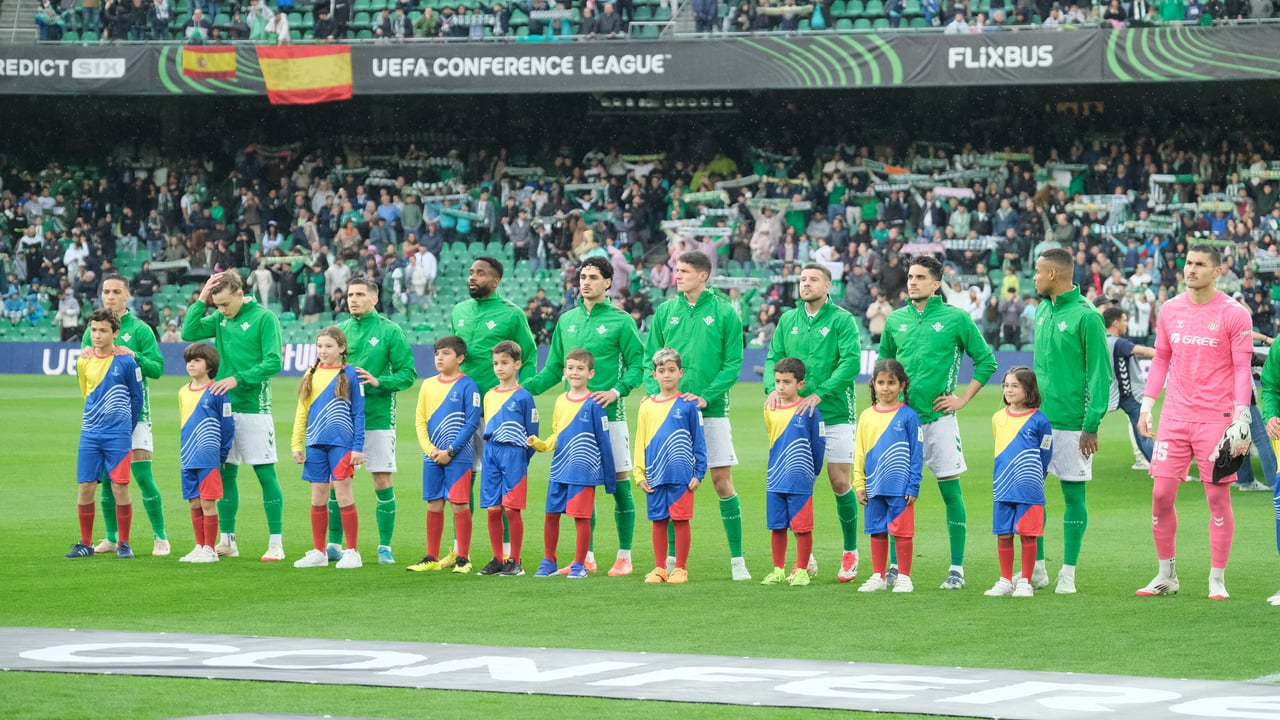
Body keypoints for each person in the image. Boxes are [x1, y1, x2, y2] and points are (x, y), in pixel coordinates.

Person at [1136, 245, 1253, 600]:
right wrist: (1146, 406)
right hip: (1174, 417)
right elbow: (1161, 359)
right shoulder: (1170, 309)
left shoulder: (1235, 314)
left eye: (1200, 264)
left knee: (1217, 499)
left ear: (1217, 271)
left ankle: (1217, 578)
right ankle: (1166, 575)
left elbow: (1241, 367)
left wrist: (1242, 412)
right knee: (1160, 496)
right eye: (1188, 262)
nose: (1191, 269)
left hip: (1215, 420)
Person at [878, 254, 997, 590]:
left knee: (950, 492)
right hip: (901, 421)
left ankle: (956, 568)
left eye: (920, 277)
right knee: (896, 494)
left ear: (935, 284)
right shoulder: (895, 320)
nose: (912, 282)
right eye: (910, 277)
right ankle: (894, 566)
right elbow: (885, 367)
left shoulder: (956, 318)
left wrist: (962, 399)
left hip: (940, 420)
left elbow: (986, 361)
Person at [526, 256, 644, 576]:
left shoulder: (621, 321)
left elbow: (638, 365)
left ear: (608, 282)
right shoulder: (567, 320)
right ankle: (586, 557)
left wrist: (616, 391)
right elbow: (553, 369)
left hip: (609, 417)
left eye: (593, 277)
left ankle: (624, 556)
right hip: (572, 421)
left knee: (620, 485)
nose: (586, 282)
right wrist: (521, 390)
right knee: (581, 485)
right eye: (582, 277)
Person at [643, 250, 749, 581]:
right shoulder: (666, 311)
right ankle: (670, 562)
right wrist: (656, 392)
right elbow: (650, 359)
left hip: (711, 411)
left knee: (721, 482)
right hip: (669, 415)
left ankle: (738, 560)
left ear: (703, 275)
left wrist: (707, 396)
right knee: (668, 482)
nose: (677, 275)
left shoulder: (724, 312)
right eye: (676, 270)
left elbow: (733, 363)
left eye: (684, 271)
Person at [763, 263, 863, 582]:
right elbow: (773, 357)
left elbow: (851, 362)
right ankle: (805, 559)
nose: (806, 284)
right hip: (795, 416)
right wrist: (771, 388)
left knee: (839, 481)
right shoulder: (788, 320)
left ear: (828, 286)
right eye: (803, 279)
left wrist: (821, 392)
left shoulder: (842, 320)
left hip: (834, 413)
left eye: (813, 279)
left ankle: (850, 551)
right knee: (795, 481)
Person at [181, 269, 286, 562]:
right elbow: (188, 333)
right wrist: (202, 299)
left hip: (254, 408)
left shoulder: (264, 318)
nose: (223, 310)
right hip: (223, 409)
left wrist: (238, 379)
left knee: (265, 474)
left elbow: (274, 361)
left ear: (241, 294)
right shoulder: (219, 318)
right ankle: (227, 540)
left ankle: (276, 543)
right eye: (218, 306)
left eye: (226, 304)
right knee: (225, 474)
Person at [1032, 248, 1112, 594]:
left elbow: (1100, 375)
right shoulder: (1041, 310)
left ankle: (1068, 573)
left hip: (1072, 424)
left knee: (1073, 495)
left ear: (1053, 274)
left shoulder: (1087, 317)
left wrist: (1091, 424)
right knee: (1031, 495)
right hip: (1035, 421)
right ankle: (1036, 569)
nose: (1034, 278)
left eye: (1037, 272)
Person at [449, 256, 536, 567]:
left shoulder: (511, 314)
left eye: (481, 273)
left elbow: (529, 356)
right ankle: (461, 551)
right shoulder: (459, 310)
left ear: (496, 281)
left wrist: (518, 397)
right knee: (462, 477)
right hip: (461, 409)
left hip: (496, 412)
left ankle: (509, 553)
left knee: (500, 479)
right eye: (471, 272)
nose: (473, 277)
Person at [327, 277, 417, 565]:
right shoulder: (339, 330)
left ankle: (384, 546)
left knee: (381, 479)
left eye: (359, 294)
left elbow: (408, 374)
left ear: (374, 299)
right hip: (341, 418)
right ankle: (333, 544)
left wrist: (380, 381)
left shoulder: (390, 331)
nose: (353, 299)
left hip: (377, 417)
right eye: (350, 295)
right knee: (336, 482)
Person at [82, 274, 169, 558]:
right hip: (103, 420)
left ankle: (160, 537)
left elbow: (157, 369)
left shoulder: (141, 329)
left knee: (142, 476)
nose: (110, 296)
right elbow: (87, 374)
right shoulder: (92, 329)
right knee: (108, 480)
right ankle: (111, 538)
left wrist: (134, 355)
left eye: (116, 292)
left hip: (136, 415)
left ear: (127, 295)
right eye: (106, 291)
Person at [527, 349, 617, 579]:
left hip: (584, 472)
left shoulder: (596, 403)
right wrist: (541, 444)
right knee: (551, 515)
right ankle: (549, 561)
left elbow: (604, 441)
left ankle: (579, 564)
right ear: (564, 372)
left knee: (582, 517)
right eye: (570, 368)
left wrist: (609, 479)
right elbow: (557, 434)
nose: (574, 372)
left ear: (590, 373)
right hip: (559, 469)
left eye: (580, 368)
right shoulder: (560, 400)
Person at [67, 309, 144, 559]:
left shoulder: (127, 362)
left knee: (120, 487)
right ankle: (85, 543)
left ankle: (124, 543)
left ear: (115, 333)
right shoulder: (83, 361)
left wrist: (125, 427)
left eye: (103, 330)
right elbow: (86, 392)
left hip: (118, 435)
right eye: (93, 330)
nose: (97, 335)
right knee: (85, 487)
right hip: (90, 433)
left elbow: (137, 398)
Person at [291, 327, 366, 570]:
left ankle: (352, 551)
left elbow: (359, 414)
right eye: (320, 346)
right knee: (317, 498)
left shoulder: (352, 374)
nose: (323, 351)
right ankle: (319, 552)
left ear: (341, 348)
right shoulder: (310, 373)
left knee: (343, 496)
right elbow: (302, 411)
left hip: (342, 444)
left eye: (329, 346)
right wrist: (296, 443)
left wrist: (358, 447)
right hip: (315, 443)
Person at [407, 335, 482, 574]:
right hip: (432, 456)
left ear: (460, 358)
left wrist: (450, 451)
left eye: (446, 353)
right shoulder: (427, 385)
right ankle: (431, 557)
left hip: (458, 456)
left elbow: (471, 423)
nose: (439, 358)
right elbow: (420, 421)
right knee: (434, 503)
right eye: (437, 353)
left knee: (459, 504)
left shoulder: (468, 385)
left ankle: (463, 558)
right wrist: (431, 450)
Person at [634, 348, 707, 585]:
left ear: (680, 372)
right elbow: (640, 439)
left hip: (681, 474)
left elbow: (699, 440)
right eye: (662, 370)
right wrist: (639, 473)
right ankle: (660, 567)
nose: (667, 375)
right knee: (658, 520)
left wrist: (699, 472)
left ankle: (680, 569)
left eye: (672, 370)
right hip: (655, 473)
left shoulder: (688, 405)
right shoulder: (646, 406)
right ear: (654, 374)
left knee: (681, 520)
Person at [854, 358, 923, 593]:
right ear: (873, 384)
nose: (886, 388)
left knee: (902, 533)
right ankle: (878, 576)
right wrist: (859, 483)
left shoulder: (909, 416)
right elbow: (859, 451)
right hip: (874, 485)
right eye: (881, 383)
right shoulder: (866, 416)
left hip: (900, 487)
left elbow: (917, 453)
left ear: (902, 385)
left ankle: (904, 577)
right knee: (876, 530)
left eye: (891, 383)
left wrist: (913, 485)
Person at [984, 367, 1053, 598]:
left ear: (1029, 389)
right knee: (1003, 534)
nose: (1009, 390)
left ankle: (1025, 581)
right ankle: (1005, 580)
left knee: (1028, 534)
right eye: (1006, 385)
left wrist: (1035, 478)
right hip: (1003, 486)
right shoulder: (998, 418)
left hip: (1029, 488)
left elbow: (1046, 452)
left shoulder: (1040, 420)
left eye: (1015, 386)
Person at [760, 358, 827, 587]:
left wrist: (812, 472)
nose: (780, 387)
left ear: (800, 384)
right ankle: (778, 570)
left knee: (802, 527)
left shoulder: (809, 411)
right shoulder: (770, 409)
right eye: (777, 381)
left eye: (787, 382)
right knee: (777, 526)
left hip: (800, 478)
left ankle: (802, 570)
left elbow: (819, 444)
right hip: (775, 476)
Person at [476, 341, 539, 577]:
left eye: (504, 363)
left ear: (517, 364)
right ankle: (497, 558)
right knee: (493, 509)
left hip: (514, 454)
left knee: (512, 509)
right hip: (491, 452)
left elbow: (532, 433)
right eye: (495, 363)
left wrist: (521, 458)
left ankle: (516, 560)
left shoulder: (524, 397)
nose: (499, 368)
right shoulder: (489, 395)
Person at [176, 343, 234, 564]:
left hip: (208, 456)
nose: (191, 364)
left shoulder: (217, 392)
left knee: (208, 503)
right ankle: (199, 546)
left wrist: (222, 454)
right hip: (188, 455)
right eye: (188, 361)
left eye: (197, 360)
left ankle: (210, 549)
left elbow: (227, 425)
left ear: (209, 366)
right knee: (194, 503)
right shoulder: (183, 391)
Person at [1103, 306, 1155, 470]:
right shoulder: (1120, 343)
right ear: (1116, 323)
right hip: (1129, 395)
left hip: (1109, 393)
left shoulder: (1100, 341)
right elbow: (1145, 351)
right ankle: (1162, 469)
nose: (1127, 324)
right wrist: (1173, 355)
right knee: (1144, 432)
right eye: (1124, 320)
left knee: (1139, 432)